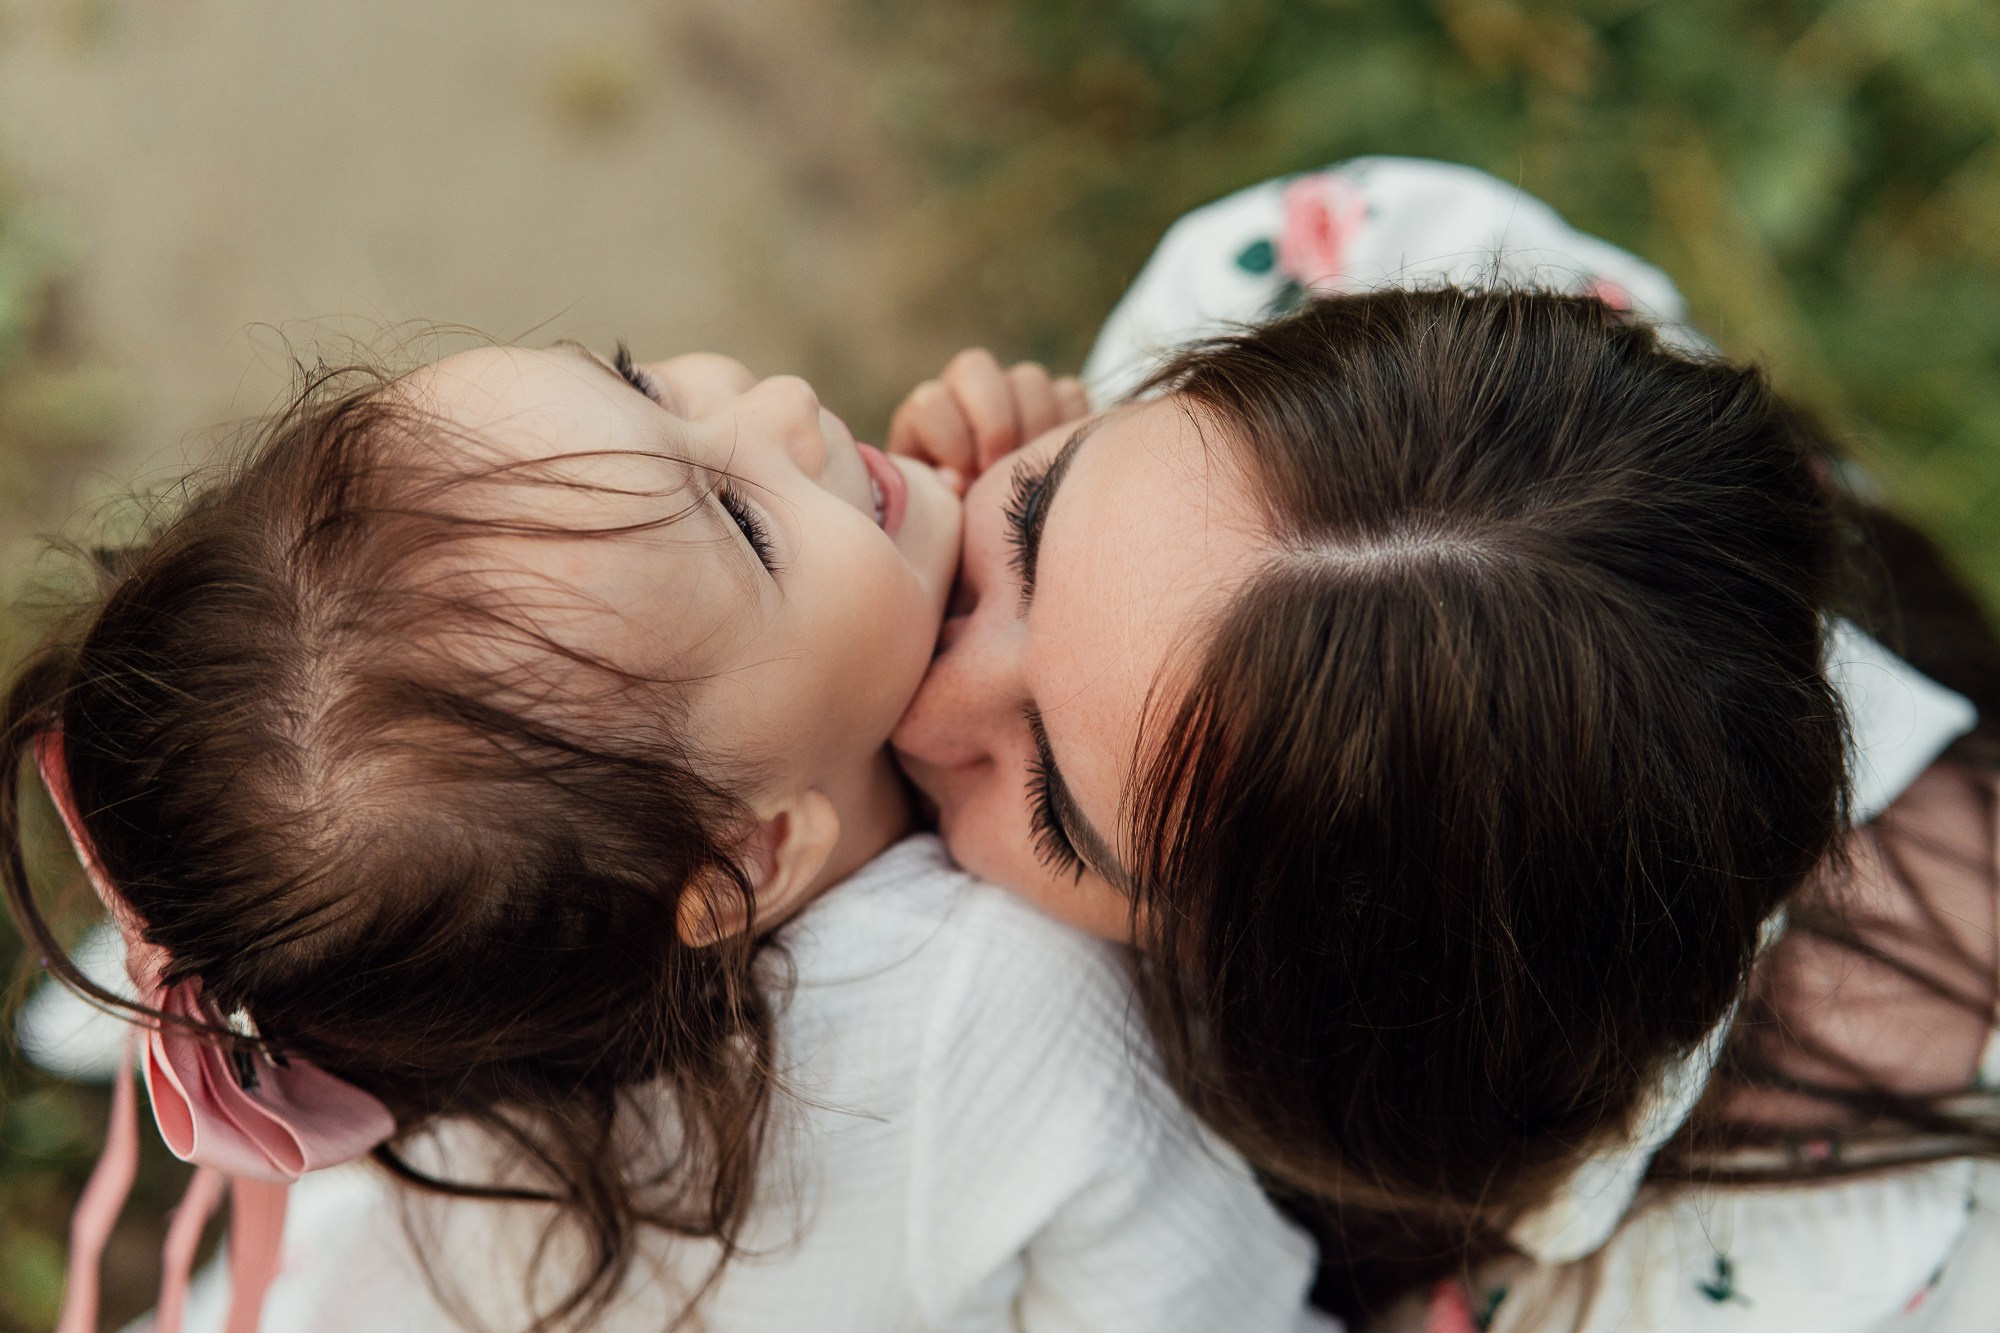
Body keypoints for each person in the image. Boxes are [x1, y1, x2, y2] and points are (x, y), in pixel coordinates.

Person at [0, 344, 1321, 1331]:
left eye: (646, 384)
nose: (787, 404)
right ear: (747, 859)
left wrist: (1016, 522)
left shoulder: (462, 997)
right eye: (746, 523)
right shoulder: (1013, 1015)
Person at [887, 158, 2000, 1329]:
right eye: (1029, 517)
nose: (918, 707)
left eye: (1058, 806)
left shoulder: (1712, 1302)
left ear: (1321, 1010)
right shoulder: (1346, 260)